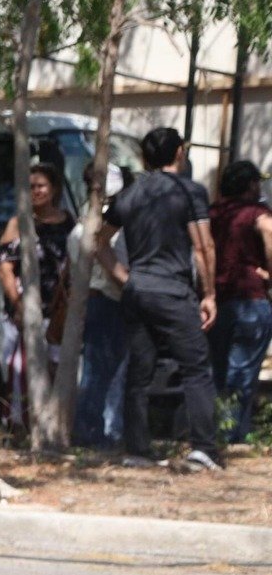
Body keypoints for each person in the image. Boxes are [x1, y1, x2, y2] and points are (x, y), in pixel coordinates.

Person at [96, 126, 223, 470]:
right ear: (180, 152)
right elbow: (203, 246)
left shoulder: (130, 194)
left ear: (143, 157)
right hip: (173, 290)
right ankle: (203, 448)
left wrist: (124, 278)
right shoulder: (189, 190)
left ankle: (137, 449)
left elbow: (99, 241)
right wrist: (209, 294)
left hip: (138, 290)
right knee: (196, 368)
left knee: (140, 372)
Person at [0, 164, 75, 429]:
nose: (36, 191)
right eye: (30, 187)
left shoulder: (68, 222)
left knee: (56, 370)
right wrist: (19, 306)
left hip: (59, 314)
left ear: (53, 189)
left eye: (41, 186)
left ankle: (54, 425)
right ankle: (19, 427)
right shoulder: (18, 224)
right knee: (21, 372)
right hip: (23, 312)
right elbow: (5, 268)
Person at [208, 159, 271, 445]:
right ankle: (230, 432)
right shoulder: (257, 212)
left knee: (217, 369)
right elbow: (269, 235)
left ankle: (215, 429)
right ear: (250, 185)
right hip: (251, 297)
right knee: (242, 371)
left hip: (216, 300)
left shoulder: (212, 213)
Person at [73, 161, 130, 448]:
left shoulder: (110, 216)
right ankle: (90, 432)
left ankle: (109, 431)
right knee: (97, 372)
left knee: (114, 372)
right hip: (103, 300)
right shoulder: (95, 221)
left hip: (116, 302)